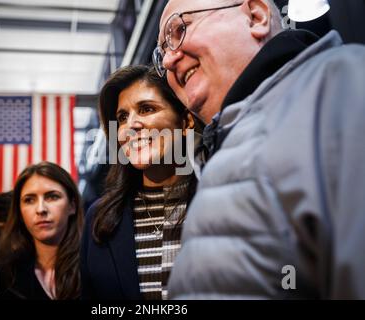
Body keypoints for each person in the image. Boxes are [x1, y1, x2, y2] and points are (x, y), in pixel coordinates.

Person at [153, 0, 365, 299]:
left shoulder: (342, 85)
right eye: (162, 50)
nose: (168, 61)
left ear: (256, 16)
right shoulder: (218, 153)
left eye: (179, 30)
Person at [80, 65, 200, 300]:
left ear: (186, 122)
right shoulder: (99, 218)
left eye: (146, 109)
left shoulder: (221, 200)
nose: (130, 126)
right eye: (122, 117)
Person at [0, 161, 83, 300]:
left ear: (72, 206)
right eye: (29, 200)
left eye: (52, 197)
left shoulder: (97, 266)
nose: (40, 209)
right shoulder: (5, 275)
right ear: (19, 211)